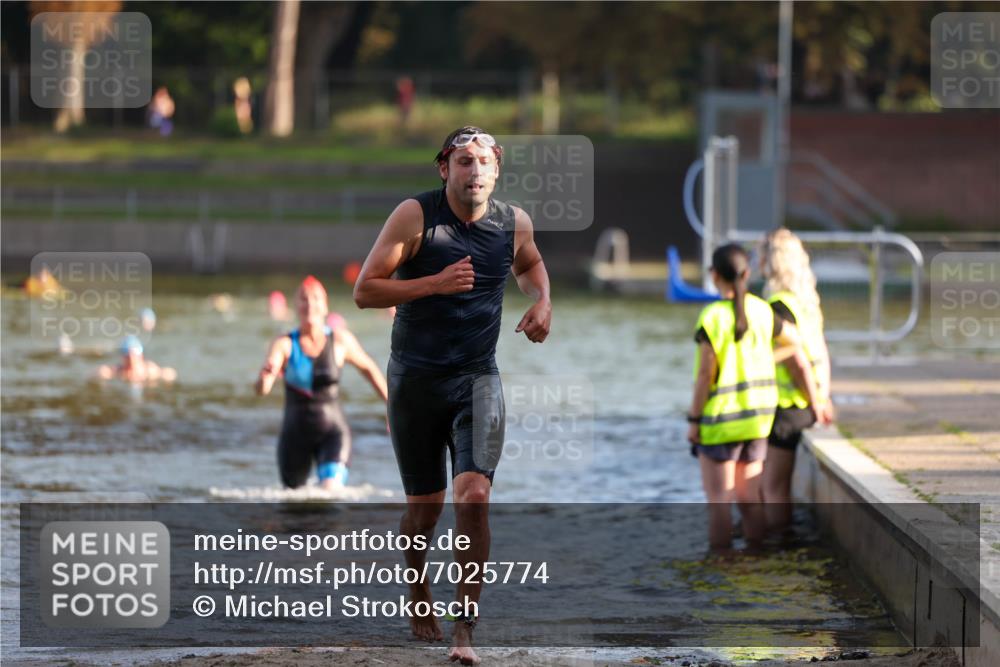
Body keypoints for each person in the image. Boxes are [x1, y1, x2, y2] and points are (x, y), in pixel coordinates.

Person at [353, 126, 552, 665]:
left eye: (483, 162)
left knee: (475, 497)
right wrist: (432, 284)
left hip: (477, 379)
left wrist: (542, 301)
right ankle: (418, 590)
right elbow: (365, 290)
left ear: (497, 170)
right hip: (415, 381)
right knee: (424, 513)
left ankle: (465, 627)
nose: (475, 172)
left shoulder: (513, 224)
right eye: (464, 161)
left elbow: (530, 264)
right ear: (444, 169)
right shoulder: (414, 217)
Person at [687, 244, 828, 551]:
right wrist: (764, 357)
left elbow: (704, 376)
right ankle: (756, 557)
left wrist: (694, 420)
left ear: (714, 276)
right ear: (747, 274)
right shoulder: (762, 310)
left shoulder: (711, 317)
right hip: (757, 421)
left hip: (721, 422)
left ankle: (722, 566)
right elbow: (796, 343)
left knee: (720, 504)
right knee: (750, 500)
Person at [255, 276, 388, 490]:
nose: (310, 304)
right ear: (296, 306)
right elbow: (262, 389)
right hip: (294, 436)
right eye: (303, 299)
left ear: (325, 306)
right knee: (295, 503)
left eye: (316, 298)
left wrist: (391, 406)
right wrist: (264, 378)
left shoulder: (340, 340)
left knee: (330, 491)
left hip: (333, 433)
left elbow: (369, 369)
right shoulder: (284, 343)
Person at [758, 228, 835, 529]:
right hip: (806, 402)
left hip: (788, 407)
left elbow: (796, 360)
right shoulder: (806, 302)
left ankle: (777, 544)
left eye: (761, 255)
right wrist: (823, 396)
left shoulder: (778, 305)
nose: (758, 261)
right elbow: (821, 353)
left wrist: (816, 404)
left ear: (772, 261)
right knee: (776, 486)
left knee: (773, 487)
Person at [97, 335, 177, 383]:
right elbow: (100, 372)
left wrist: (157, 373)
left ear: (141, 356)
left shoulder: (148, 370)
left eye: (134, 355)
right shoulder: (118, 371)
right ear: (123, 358)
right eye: (128, 356)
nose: (131, 358)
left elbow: (171, 374)